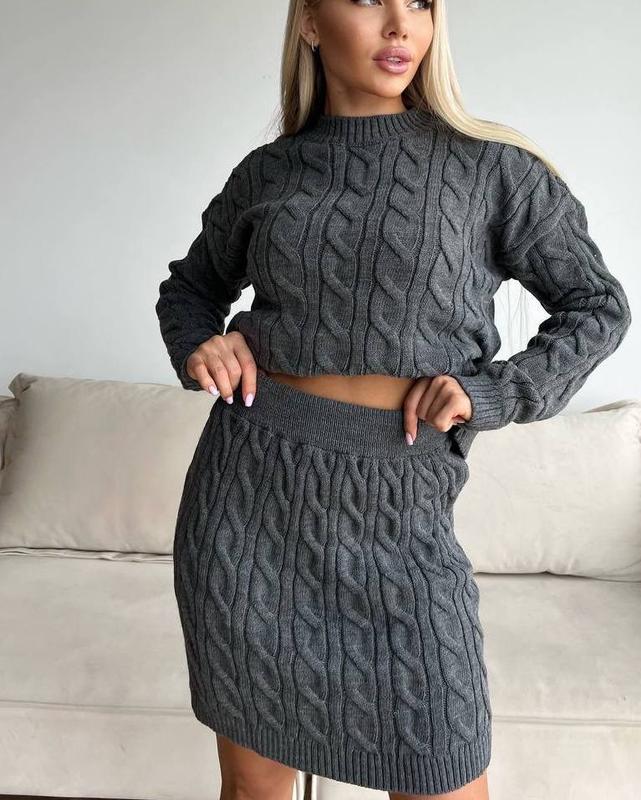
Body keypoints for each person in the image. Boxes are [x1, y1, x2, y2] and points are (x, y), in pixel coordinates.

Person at [155, 1, 632, 798]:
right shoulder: (269, 173)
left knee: (442, 774)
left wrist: (494, 391)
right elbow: (191, 290)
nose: (399, 25)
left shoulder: (493, 168)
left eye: (418, 3)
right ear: (310, 23)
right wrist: (202, 341)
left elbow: (597, 307)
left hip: (401, 506)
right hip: (248, 498)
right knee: (255, 788)